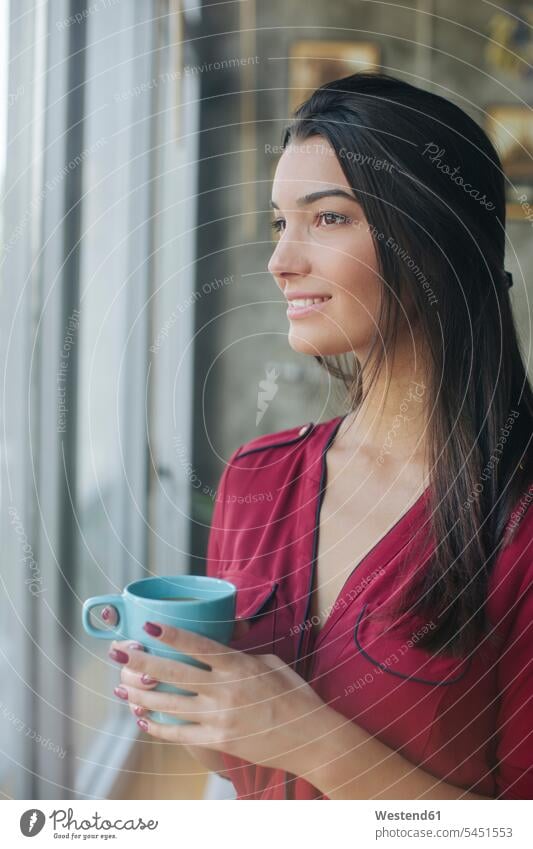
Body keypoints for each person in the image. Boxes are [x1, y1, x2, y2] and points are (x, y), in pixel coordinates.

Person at [107, 73, 533, 800]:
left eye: (327, 218)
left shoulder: (515, 522)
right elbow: (248, 771)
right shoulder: (254, 479)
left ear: (434, 235)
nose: (280, 260)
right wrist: (198, 705)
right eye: (279, 222)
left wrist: (306, 735)